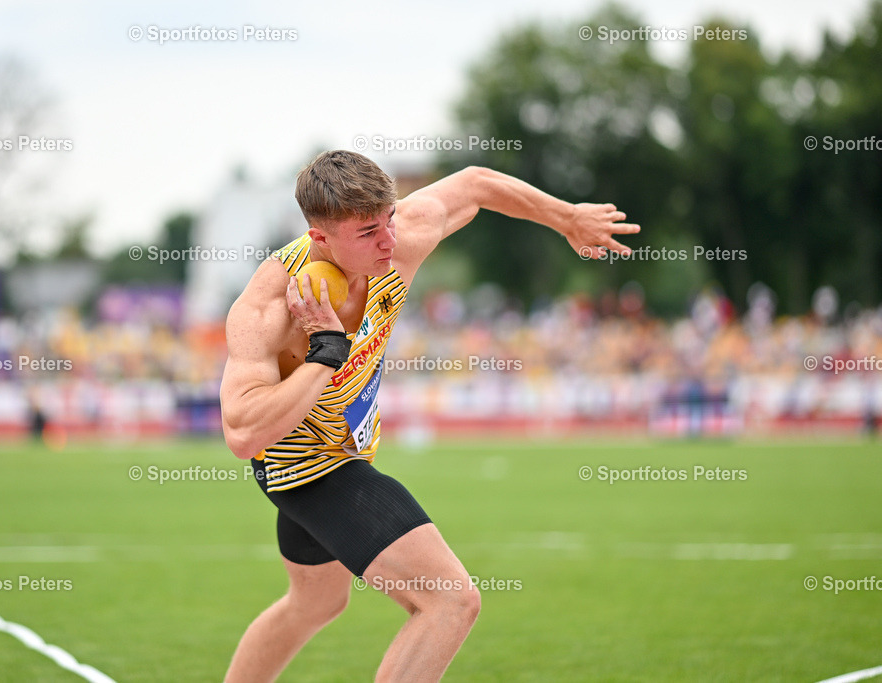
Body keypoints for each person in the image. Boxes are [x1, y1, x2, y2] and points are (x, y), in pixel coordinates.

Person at [220, 150, 639, 682]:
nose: (390, 242)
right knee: (451, 600)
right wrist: (326, 350)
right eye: (369, 232)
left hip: (344, 449)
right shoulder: (270, 306)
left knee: (316, 605)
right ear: (320, 239)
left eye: (390, 219)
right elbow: (242, 431)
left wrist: (567, 218)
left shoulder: (400, 240)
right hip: (305, 468)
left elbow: (477, 183)